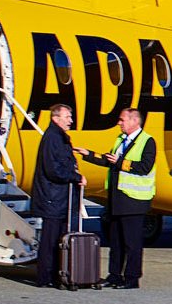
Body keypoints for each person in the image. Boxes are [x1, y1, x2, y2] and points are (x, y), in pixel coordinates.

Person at [75, 107, 156, 289]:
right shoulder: (120, 140)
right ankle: (114, 276)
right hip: (117, 199)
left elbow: (145, 167)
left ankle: (132, 278)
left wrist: (119, 162)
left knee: (132, 243)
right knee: (116, 241)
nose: (119, 123)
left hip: (134, 201)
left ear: (135, 121)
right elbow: (108, 160)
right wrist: (88, 154)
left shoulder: (147, 141)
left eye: (122, 120)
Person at [29, 103, 85, 289]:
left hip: (61, 198)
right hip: (53, 198)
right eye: (67, 117)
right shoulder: (53, 138)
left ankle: (56, 275)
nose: (71, 120)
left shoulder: (60, 138)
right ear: (56, 118)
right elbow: (53, 170)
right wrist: (76, 176)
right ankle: (45, 277)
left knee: (59, 238)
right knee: (50, 239)